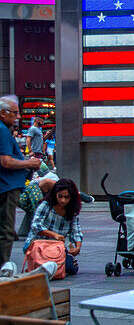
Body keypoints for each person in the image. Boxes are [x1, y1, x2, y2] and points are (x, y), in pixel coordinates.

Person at [0, 97, 41, 263]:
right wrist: (29, 162)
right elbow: (5, 161)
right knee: (6, 231)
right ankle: (2, 271)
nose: (18, 117)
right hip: (6, 187)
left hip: (6, 185)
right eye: (15, 113)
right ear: (3, 113)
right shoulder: (2, 130)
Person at [24, 177, 83, 275]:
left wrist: (77, 247)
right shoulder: (46, 205)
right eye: (60, 196)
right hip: (37, 243)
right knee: (50, 263)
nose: (63, 200)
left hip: (56, 248)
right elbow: (36, 225)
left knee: (72, 269)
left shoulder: (72, 211)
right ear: (55, 194)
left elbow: (76, 231)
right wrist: (53, 235)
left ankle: (49, 266)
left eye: (66, 197)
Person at [18, 173, 57, 238]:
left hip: (33, 192)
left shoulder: (49, 181)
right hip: (34, 192)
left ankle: (25, 231)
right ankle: (37, 230)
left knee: (34, 211)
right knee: (37, 211)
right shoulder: (38, 191)